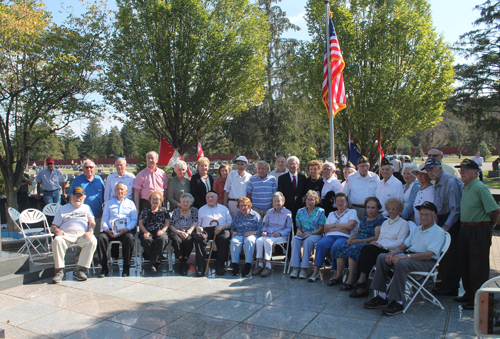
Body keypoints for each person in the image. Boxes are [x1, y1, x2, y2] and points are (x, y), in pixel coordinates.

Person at [364, 201, 446, 316]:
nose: (423, 217)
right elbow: (403, 246)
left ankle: (397, 302)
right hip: (410, 257)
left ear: (434, 216)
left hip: (426, 262)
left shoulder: (439, 232)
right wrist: (392, 253)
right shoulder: (417, 229)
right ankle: (381, 296)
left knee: (401, 263)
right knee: (382, 257)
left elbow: (428, 254)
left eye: (427, 214)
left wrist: (405, 257)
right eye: (421, 214)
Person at [454, 158, 500, 310]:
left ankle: (479, 299)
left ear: (476, 172)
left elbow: (495, 210)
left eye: (466, 170)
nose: (462, 173)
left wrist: (490, 225)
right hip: (466, 228)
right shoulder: (466, 187)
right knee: (465, 262)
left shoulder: (479, 187)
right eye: (461, 170)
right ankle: (469, 294)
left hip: (479, 229)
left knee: (477, 266)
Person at [349, 198, 409, 298]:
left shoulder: (403, 223)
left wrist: (382, 245)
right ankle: (362, 282)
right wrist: (376, 242)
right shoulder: (385, 222)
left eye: (394, 209)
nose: (391, 211)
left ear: (399, 210)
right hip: (379, 247)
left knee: (368, 250)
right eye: (389, 209)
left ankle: (362, 282)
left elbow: (400, 242)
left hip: (391, 250)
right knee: (365, 249)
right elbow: (380, 238)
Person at [423, 157, 463, 296]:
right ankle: (445, 283)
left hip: (451, 222)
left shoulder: (450, 182)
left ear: (440, 168)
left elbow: (455, 209)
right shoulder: (437, 183)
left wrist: (445, 227)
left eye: (432, 169)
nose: (430, 173)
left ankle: (451, 287)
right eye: (428, 170)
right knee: (443, 256)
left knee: (451, 254)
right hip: (441, 220)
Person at [330, 197, 385, 289]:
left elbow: (376, 237)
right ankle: (338, 275)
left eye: (373, 207)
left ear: (378, 208)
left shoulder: (380, 220)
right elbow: (357, 233)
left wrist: (358, 241)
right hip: (358, 240)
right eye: (368, 207)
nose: (370, 210)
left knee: (353, 249)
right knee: (342, 246)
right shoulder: (364, 219)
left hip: (369, 242)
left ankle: (351, 279)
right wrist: (351, 239)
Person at [51, 186, 97, 283]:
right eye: (76, 196)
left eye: (80, 196)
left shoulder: (86, 208)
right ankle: (59, 271)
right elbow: (53, 226)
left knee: (92, 241)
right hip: (66, 234)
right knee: (57, 241)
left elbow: (92, 222)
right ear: (71, 196)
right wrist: (57, 231)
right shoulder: (63, 209)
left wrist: (90, 231)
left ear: (84, 197)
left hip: (82, 234)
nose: (78, 198)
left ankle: (79, 269)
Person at [309, 193, 359, 283]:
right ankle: (316, 271)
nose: (339, 203)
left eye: (342, 201)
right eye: (337, 201)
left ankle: (336, 273)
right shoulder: (332, 214)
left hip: (345, 236)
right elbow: (326, 228)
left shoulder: (352, 212)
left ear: (346, 202)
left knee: (336, 247)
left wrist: (334, 226)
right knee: (321, 244)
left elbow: (351, 225)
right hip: (330, 235)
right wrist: (342, 228)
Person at [97, 183, 137, 277]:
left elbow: (134, 220)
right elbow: (104, 220)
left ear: (126, 191)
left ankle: (126, 266)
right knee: (101, 238)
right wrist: (107, 230)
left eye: (122, 189)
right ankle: (104, 267)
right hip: (111, 230)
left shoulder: (131, 204)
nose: (120, 191)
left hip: (125, 230)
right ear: (115, 191)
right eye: (118, 189)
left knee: (129, 238)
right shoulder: (109, 203)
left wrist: (126, 229)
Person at [253, 192, 293, 277]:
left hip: (280, 236)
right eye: (275, 201)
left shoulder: (288, 213)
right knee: (259, 240)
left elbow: (289, 228)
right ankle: (260, 264)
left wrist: (280, 233)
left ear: (283, 201)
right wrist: (264, 231)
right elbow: (265, 225)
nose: (277, 203)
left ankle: (268, 266)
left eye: (278, 201)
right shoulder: (269, 212)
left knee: (267, 242)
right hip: (269, 234)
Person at [193, 191, 232, 276]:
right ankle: (201, 266)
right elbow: (199, 223)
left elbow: (230, 223)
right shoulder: (201, 209)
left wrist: (222, 227)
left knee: (225, 237)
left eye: (212, 197)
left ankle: (220, 264)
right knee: (199, 237)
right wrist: (199, 228)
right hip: (206, 229)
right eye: (208, 197)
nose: (210, 199)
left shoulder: (224, 208)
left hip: (221, 228)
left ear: (217, 198)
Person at [289, 190, 325, 279]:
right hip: (303, 234)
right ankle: (295, 267)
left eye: (311, 200)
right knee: (295, 240)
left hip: (315, 234)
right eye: (308, 200)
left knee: (308, 241)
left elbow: (321, 228)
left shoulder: (320, 211)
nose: (309, 202)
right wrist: (298, 231)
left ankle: (304, 268)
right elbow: (299, 227)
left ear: (316, 201)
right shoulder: (300, 211)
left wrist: (311, 233)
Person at [69, 159, 105, 234]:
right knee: (83, 238)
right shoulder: (77, 180)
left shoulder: (99, 179)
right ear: (83, 169)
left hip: (96, 215)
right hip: (82, 216)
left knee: (96, 237)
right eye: (86, 167)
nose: (89, 169)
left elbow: (104, 195)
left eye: (91, 167)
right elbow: (71, 197)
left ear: (94, 168)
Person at [138, 191, 170, 273]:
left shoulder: (164, 210)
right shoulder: (145, 210)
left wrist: (163, 230)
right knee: (146, 239)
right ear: (150, 200)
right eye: (153, 199)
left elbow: (167, 223)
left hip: (160, 230)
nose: (155, 201)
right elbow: (140, 223)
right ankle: (157, 260)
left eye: (157, 199)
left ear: (161, 201)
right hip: (148, 230)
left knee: (162, 238)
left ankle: (153, 261)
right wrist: (145, 231)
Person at [230, 197, 262, 276]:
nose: (243, 208)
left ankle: (248, 265)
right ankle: (235, 266)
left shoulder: (256, 215)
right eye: (240, 206)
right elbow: (232, 228)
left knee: (249, 241)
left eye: (245, 205)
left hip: (251, 234)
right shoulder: (237, 215)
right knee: (234, 241)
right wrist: (233, 232)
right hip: (239, 234)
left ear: (249, 206)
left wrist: (252, 232)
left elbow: (260, 230)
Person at [343, 156, 380, 220]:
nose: (365, 168)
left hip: (372, 209)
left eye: (367, 166)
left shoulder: (375, 177)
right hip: (356, 209)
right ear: (357, 167)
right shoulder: (351, 178)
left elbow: (379, 193)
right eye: (362, 166)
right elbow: (345, 193)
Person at [169, 193, 197, 276]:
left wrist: (188, 232)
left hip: (189, 232)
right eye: (183, 202)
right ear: (180, 202)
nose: (185, 204)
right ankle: (182, 262)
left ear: (191, 202)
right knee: (176, 239)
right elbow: (170, 225)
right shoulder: (176, 211)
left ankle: (184, 259)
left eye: (187, 202)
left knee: (189, 240)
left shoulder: (194, 210)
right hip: (176, 232)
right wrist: (179, 232)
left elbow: (196, 222)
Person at [133, 151, 168, 216]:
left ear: (157, 160)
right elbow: (136, 192)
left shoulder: (162, 173)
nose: (150, 160)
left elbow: (165, 190)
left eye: (152, 158)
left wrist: (165, 204)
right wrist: (137, 207)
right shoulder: (141, 174)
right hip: (146, 204)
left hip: (159, 203)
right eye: (148, 158)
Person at [277, 156, 306, 221]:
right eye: (290, 164)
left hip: (300, 208)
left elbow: (304, 193)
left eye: (294, 164)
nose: (292, 166)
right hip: (287, 208)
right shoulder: (282, 178)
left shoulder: (303, 178)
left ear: (298, 165)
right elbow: (280, 193)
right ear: (287, 165)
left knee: (299, 228)